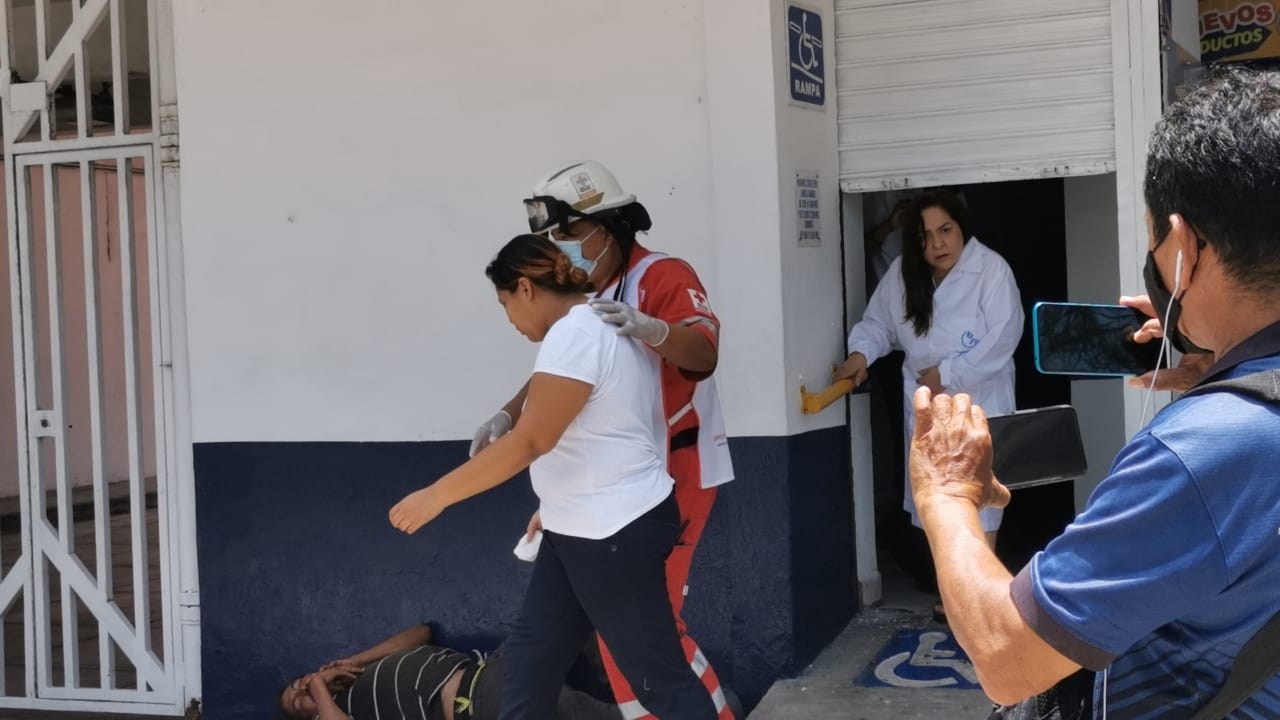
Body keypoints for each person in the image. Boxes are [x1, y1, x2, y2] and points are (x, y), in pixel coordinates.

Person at [908, 66, 1280, 718]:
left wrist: (947, 495)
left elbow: (1006, 656)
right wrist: (1219, 369)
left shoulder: (1198, 453)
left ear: (1184, 245)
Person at [390, 234, 720, 720]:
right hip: (581, 527)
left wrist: (437, 496)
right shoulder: (602, 320)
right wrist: (555, 501)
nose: (510, 320)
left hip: (611, 531)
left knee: (656, 679)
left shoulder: (575, 334)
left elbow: (532, 441)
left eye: (505, 304)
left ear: (524, 288)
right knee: (529, 663)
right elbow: (600, 432)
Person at [470, 160, 734, 720]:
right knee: (567, 649)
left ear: (606, 225)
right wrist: (509, 413)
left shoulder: (663, 276)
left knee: (648, 641)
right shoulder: (587, 291)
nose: (562, 248)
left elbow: (704, 356)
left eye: (567, 234)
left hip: (671, 468)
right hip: (604, 489)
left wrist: (654, 329)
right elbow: (563, 378)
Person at [834, 190, 1023, 619]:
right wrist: (860, 356)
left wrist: (948, 374)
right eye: (924, 236)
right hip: (924, 404)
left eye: (945, 231)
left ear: (962, 229)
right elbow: (879, 324)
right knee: (937, 497)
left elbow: (1004, 338)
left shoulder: (990, 270)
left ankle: (982, 597)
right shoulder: (904, 273)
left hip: (979, 399)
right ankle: (957, 593)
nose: (936, 244)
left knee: (980, 494)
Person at [277, 623, 626, 720]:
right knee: (582, 713)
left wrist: (354, 661)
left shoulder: (354, 680)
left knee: (576, 625)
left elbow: (421, 632)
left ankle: (653, 686)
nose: (300, 691)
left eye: (298, 684)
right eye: (296, 701)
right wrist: (320, 686)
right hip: (475, 702)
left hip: (491, 667)